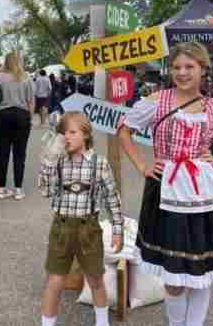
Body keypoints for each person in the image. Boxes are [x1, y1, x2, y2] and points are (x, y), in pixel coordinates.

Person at [117, 42, 213, 326]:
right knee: (174, 272)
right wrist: (143, 165)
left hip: (205, 193)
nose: (182, 73)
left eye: (189, 67)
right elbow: (124, 131)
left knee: (200, 272)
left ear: (203, 70)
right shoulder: (157, 101)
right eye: (177, 67)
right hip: (165, 190)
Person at [38, 111, 123, 326]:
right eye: (63, 133)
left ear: (85, 135)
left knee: (95, 278)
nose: (66, 137)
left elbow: (112, 198)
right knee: (55, 280)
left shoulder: (99, 163)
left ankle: (102, 322)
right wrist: (49, 160)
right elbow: (45, 190)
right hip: (62, 227)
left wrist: (118, 229)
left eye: (72, 132)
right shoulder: (58, 162)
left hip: (89, 228)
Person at [0, 52, 34, 200]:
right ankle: (18, 189)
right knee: (20, 154)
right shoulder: (26, 77)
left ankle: (2, 189)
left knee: (2, 153)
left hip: (4, 115)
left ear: (6, 62)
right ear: (19, 62)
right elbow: (30, 101)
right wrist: (30, 118)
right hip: (22, 115)